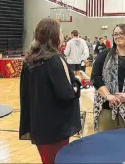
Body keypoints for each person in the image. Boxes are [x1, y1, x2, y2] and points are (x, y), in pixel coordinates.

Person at [19, 18, 81, 164]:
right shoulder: (54, 60)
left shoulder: (30, 60)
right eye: (61, 33)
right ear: (53, 36)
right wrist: (77, 81)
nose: (63, 36)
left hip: (38, 124)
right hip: (55, 128)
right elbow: (67, 93)